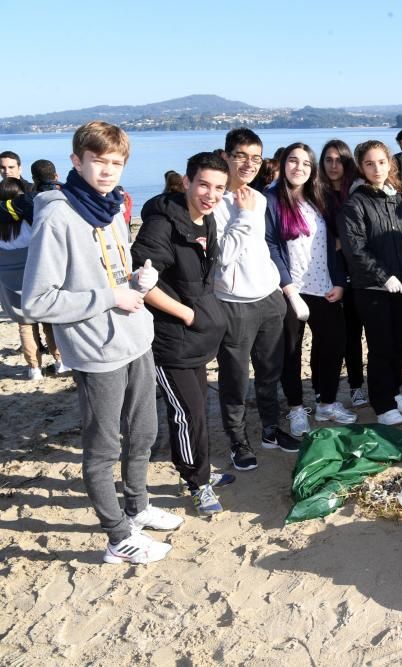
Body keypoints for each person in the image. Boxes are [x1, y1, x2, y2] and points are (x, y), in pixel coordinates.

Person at [22, 121, 180, 564]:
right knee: (103, 447)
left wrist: (138, 279)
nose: (108, 171)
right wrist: (109, 296)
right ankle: (116, 537)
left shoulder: (110, 206)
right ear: (77, 161)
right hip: (96, 352)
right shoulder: (57, 213)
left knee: (145, 433)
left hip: (136, 339)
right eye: (99, 162)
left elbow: (112, 269)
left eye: (116, 163)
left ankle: (138, 506)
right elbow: (37, 301)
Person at [132, 152, 231, 513]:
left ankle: (198, 469)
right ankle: (197, 481)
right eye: (204, 184)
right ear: (187, 182)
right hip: (169, 339)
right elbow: (142, 283)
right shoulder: (161, 225)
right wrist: (188, 314)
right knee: (186, 412)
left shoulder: (207, 221)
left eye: (219, 187)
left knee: (198, 409)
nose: (211, 194)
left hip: (198, 337)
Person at [214, 128, 298, 472]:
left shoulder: (259, 197)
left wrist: (279, 286)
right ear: (225, 157)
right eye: (241, 156)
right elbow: (223, 255)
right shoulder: (214, 201)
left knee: (269, 372)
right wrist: (245, 215)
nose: (249, 163)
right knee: (234, 377)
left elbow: (263, 247)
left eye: (255, 157)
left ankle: (270, 429)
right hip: (233, 301)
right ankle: (237, 440)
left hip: (267, 297)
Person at [265, 142, 354, 438]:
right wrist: (288, 290)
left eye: (305, 163)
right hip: (290, 290)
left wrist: (340, 282)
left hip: (324, 287)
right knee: (290, 352)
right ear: (282, 164)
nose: (299, 167)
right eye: (293, 161)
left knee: (333, 345)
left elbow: (334, 245)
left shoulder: (321, 198)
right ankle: (295, 408)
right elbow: (271, 247)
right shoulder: (270, 200)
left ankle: (327, 402)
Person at [338, 140, 402, 425]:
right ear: (361, 166)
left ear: (390, 164)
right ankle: (382, 403)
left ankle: (394, 390)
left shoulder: (396, 197)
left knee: (400, 341)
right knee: (381, 345)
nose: (377, 168)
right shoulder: (355, 203)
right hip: (372, 288)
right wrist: (384, 277)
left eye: (382, 162)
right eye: (370, 163)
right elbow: (355, 249)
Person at [0, 178, 66, 379]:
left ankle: (34, 369)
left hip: (10, 282)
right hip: (34, 277)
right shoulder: (30, 222)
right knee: (49, 323)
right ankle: (59, 362)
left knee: (25, 326)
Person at [319, 138, 368, 408]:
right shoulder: (315, 192)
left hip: (357, 270)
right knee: (335, 335)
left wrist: (344, 242)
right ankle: (328, 387)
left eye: (339, 160)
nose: (334, 165)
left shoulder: (357, 191)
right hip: (327, 272)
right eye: (328, 160)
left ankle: (357, 385)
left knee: (357, 332)